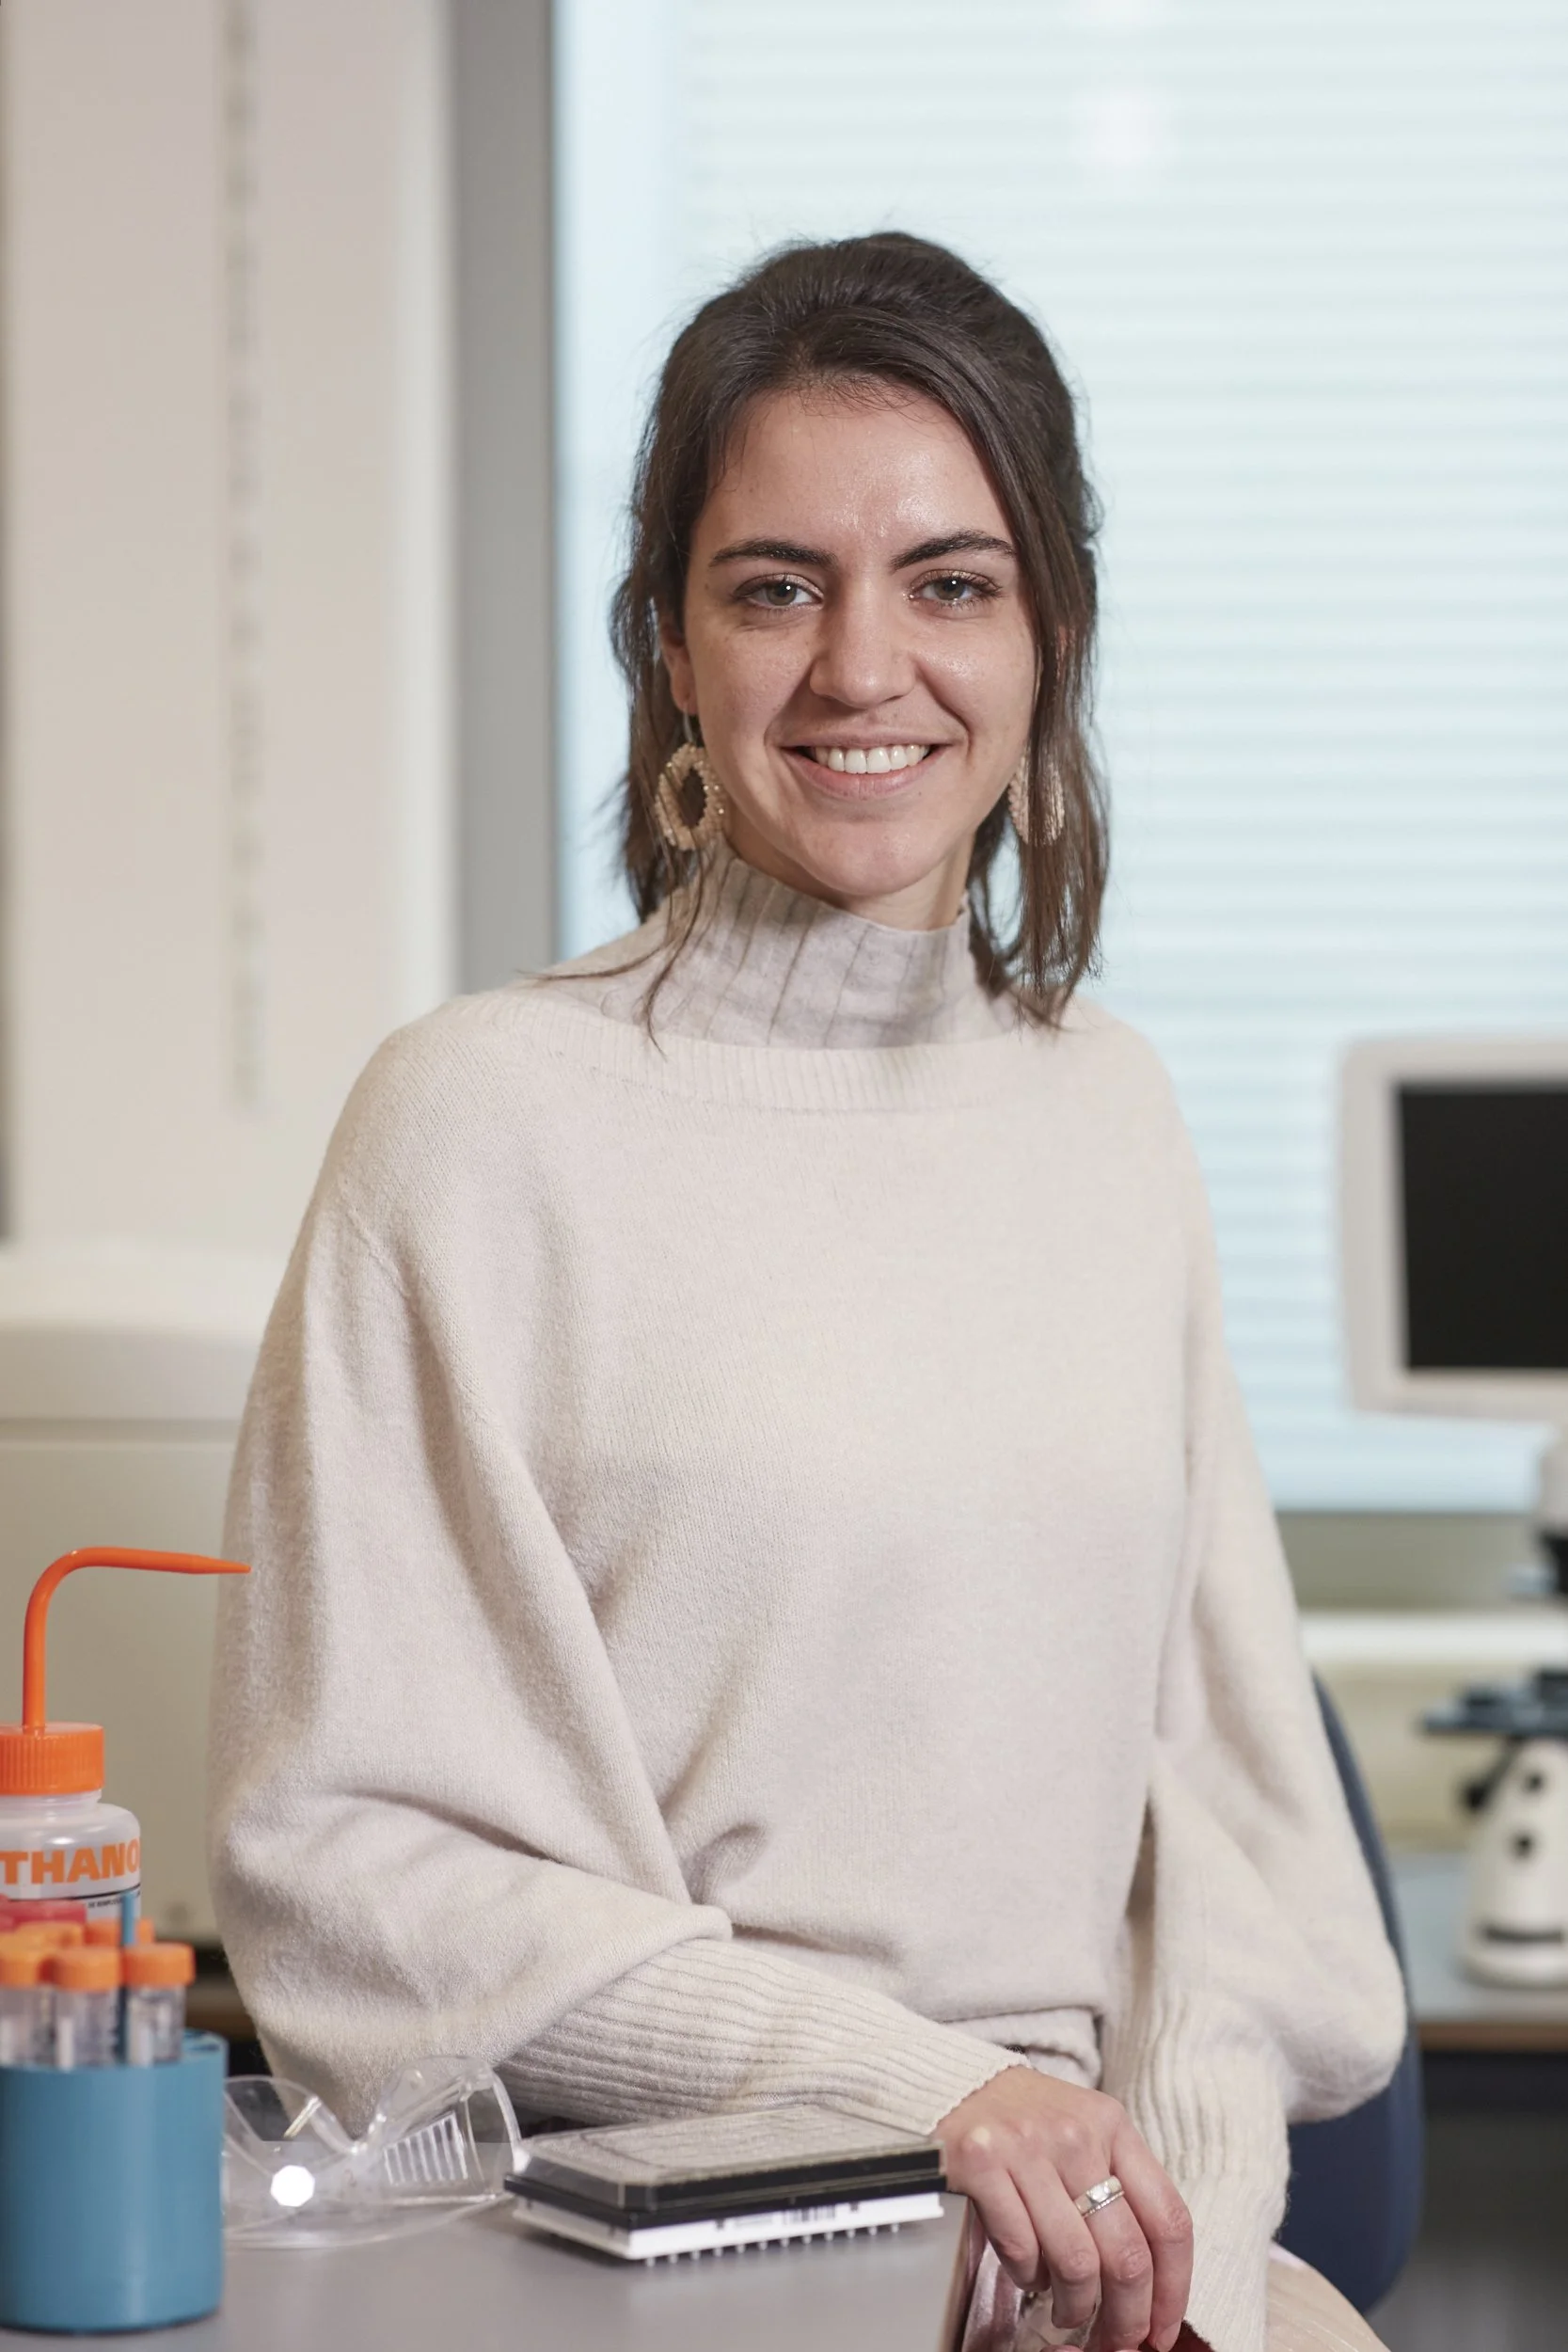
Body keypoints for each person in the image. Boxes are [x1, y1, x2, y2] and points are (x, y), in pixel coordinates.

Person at [208, 233, 1405, 2352]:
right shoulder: (474, 1125)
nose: (865, 665)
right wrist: (942, 2099)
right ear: (671, 646)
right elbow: (349, 1878)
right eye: (775, 585)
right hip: (656, 2241)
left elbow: (1221, 1815)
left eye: (949, 582)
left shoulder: (1103, 1116)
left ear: (1049, 637)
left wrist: (1186, 2257)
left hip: (1105, 2255)